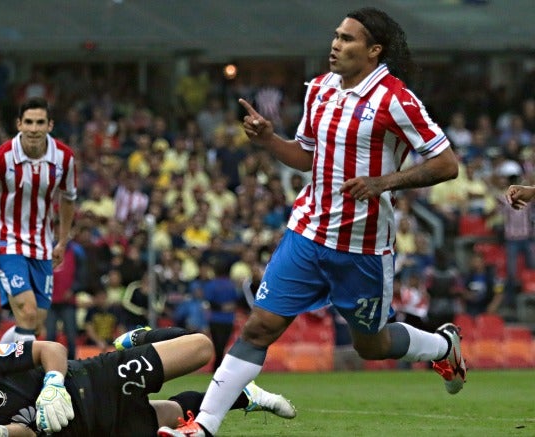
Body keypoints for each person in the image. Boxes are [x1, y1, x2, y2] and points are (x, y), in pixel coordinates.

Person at [160, 8, 466, 437]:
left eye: (347, 39)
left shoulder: (396, 99)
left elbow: (447, 163)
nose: (335, 45)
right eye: (335, 37)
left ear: (374, 50)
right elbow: (307, 158)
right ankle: (204, 427)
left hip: (362, 246)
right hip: (306, 233)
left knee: (371, 346)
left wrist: (384, 182)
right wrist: (268, 139)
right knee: (259, 327)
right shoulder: (320, 89)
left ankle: (442, 345)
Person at [0, 328, 296, 436]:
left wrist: (53, 383)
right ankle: (244, 397)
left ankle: (139, 339)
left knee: (202, 349)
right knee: (170, 416)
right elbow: (29, 432)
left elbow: (50, 348)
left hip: (91, 382)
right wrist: (0, 435)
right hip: (88, 430)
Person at [0, 97, 77, 344]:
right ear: (19, 124)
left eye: (40, 122)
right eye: (28, 122)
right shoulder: (0, 157)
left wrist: (61, 242)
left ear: (50, 125)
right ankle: (19, 381)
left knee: (35, 324)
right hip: (8, 244)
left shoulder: (64, 158)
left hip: (42, 246)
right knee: (27, 314)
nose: (34, 128)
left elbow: (69, 199)